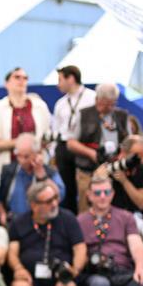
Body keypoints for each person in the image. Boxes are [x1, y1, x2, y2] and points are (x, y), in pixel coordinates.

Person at [67, 83, 129, 212]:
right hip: (87, 171)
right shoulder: (83, 114)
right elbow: (71, 143)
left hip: (113, 172)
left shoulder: (122, 116)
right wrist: (90, 153)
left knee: (112, 210)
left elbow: (130, 142)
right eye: (105, 104)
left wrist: (124, 154)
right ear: (97, 99)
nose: (109, 108)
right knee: (85, 209)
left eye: (112, 104)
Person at [50, 65, 96, 213]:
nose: (58, 84)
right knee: (67, 188)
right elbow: (56, 130)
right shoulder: (60, 104)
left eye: (60, 79)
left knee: (86, 187)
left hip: (84, 146)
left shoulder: (92, 97)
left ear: (71, 78)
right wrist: (53, 154)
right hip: (63, 147)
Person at [0, 67, 50, 172]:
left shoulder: (40, 105)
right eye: (17, 77)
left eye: (25, 78)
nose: (22, 80)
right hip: (7, 167)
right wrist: (23, 144)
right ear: (6, 83)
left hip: (36, 165)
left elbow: (47, 138)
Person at [0, 134, 65, 225]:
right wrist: (2, 213)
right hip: (14, 221)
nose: (22, 161)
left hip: (42, 221)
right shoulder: (9, 171)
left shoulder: (50, 172)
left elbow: (60, 196)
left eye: (26, 157)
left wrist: (42, 176)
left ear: (37, 154)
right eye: (19, 156)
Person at [90, 134, 143, 215]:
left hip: (133, 215)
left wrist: (124, 181)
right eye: (136, 156)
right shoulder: (109, 165)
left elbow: (142, 204)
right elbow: (93, 197)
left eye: (141, 156)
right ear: (123, 152)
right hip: (109, 214)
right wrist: (101, 176)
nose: (139, 160)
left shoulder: (142, 169)